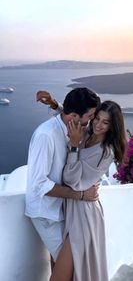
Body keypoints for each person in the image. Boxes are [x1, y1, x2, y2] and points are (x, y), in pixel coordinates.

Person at [50, 100, 127, 281]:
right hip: (70, 208)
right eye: (96, 119)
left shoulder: (105, 153)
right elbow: (74, 118)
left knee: (59, 277)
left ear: (112, 126)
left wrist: (74, 147)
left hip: (84, 216)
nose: (98, 125)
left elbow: (73, 181)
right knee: (60, 270)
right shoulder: (85, 134)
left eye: (105, 122)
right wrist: (55, 105)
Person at [25, 87, 101, 264]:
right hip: (45, 213)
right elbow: (39, 184)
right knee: (69, 266)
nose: (92, 121)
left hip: (62, 208)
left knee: (58, 262)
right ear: (74, 116)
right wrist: (81, 195)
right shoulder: (46, 136)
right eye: (90, 116)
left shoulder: (71, 124)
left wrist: (55, 104)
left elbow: (66, 113)